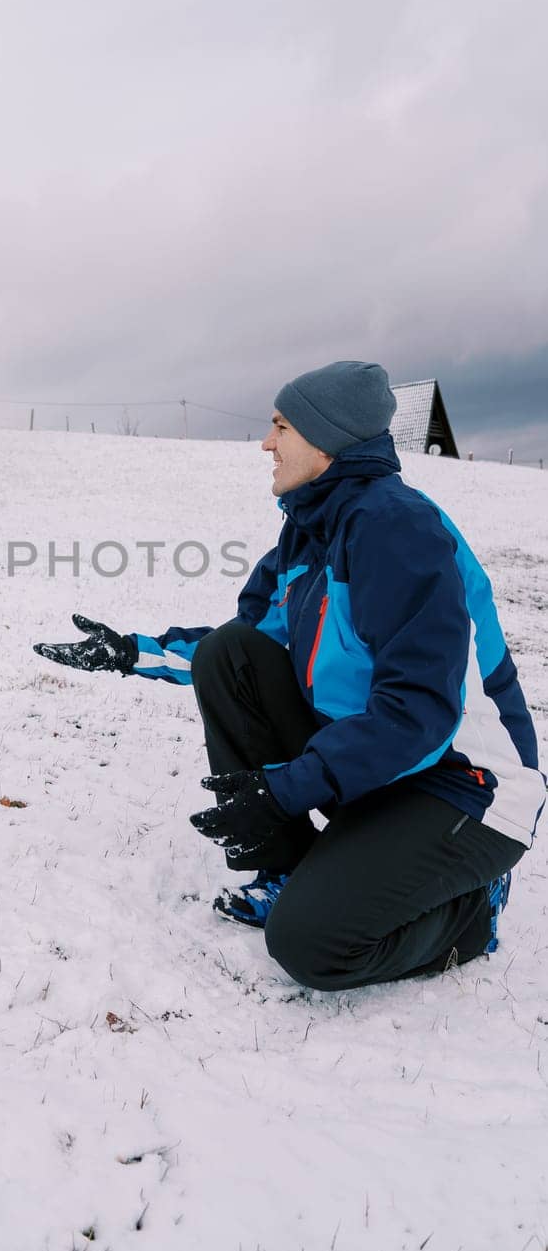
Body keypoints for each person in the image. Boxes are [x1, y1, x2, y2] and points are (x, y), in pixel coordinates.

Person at [34, 360, 544, 992]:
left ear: (326, 439)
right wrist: (131, 652)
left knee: (313, 948)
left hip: (465, 787)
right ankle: (287, 871)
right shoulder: (312, 529)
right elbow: (250, 642)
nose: (267, 444)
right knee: (231, 653)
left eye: (281, 426)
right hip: (383, 764)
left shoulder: (397, 528)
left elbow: (420, 713)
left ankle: (470, 910)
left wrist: (286, 788)